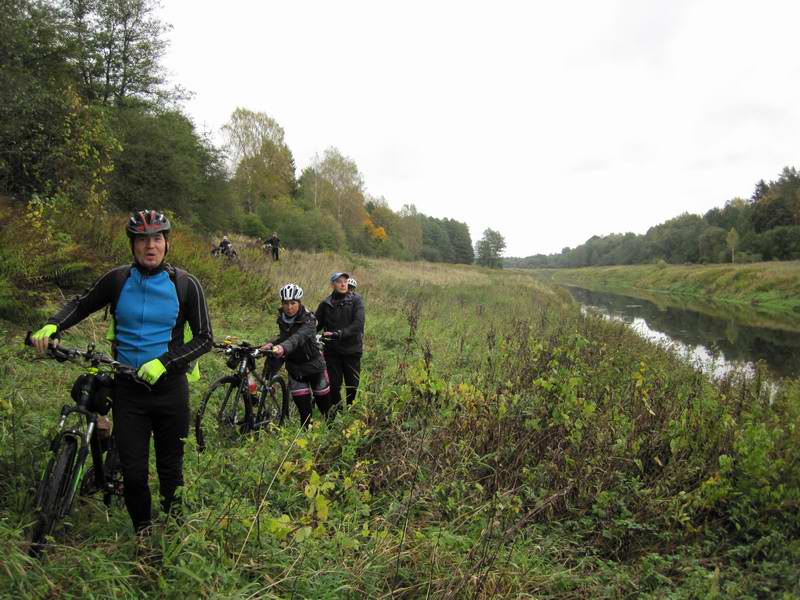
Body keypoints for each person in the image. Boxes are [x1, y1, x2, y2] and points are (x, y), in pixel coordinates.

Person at [30, 210, 213, 535]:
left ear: (167, 243)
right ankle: (143, 534)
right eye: (142, 240)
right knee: (133, 474)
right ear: (133, 245)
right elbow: (82, 304)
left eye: (157, 239)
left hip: (171, 392)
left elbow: (204, 339)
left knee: (171, 471)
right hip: (128, 392)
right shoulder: (117, 280)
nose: (150, 246)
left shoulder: (186, 285)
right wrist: (52, 324)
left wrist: (165, 362)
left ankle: (173, 534)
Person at [260, 283, 330, 427]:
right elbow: (285, 337)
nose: (289, 307)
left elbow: (297, 338)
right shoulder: (282, 319)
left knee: (326, 410)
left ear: (299, 302)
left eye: (293, 303)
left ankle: (332, 436)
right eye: (286, 303)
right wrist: (272, 344)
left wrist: (282, 347)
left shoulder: (310, 320)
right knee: (304, 415)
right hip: (295, 369)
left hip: (314, 367)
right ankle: (308, 441)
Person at [315, 272, 365, 408]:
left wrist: (338, 334)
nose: (343, 284)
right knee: (333, 387)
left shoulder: (356, 300)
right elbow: (314, 325)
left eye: (345, 281)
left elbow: (358, 325)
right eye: (339, 281)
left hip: (352, 351)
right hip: (332, 352)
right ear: (332, 284)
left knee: (352, 387)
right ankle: (338, 413)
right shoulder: (325, 304)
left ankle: (351, 413)